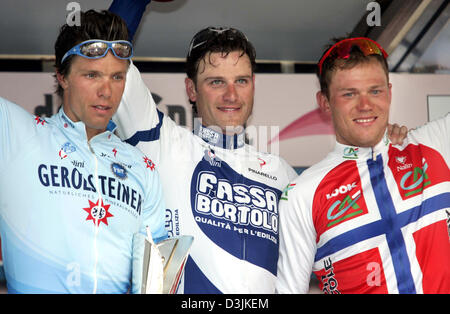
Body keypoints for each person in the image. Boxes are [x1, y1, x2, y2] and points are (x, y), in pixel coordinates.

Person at [109, 1, 408, 293]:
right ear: (191, 89)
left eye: (241, 80)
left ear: (253, 84)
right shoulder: (162, 144)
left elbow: (347, 245)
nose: (231, 94)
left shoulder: (284, 174)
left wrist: (382, 148)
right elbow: (105, 52)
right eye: (215, 82)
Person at [0, 9, 167, 293]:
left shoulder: (142, 167)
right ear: (62, 77)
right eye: (92, 75)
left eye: (117, 77)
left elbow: (156, 284)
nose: (107, 91)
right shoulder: (16, 133)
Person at [275, 37, 450, 294]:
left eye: (375, 91)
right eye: (349, 94)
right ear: (324, 102)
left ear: (390, 92)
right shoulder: (303, 194)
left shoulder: (434, 144)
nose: (365, 105)